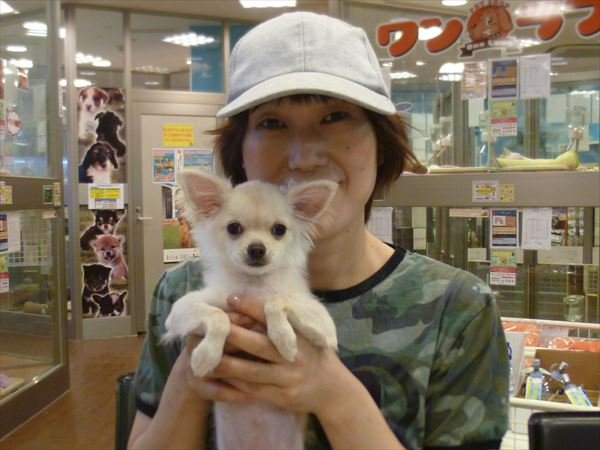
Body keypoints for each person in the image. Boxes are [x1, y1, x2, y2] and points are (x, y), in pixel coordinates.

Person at [128, 11, 509, 450]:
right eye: (272, 123)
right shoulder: (183, 290)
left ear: (381, 143)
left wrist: (334, 396)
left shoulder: (457, 309)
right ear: (239, 152)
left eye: (336, 116)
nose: (304, 157)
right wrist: (190, 378)